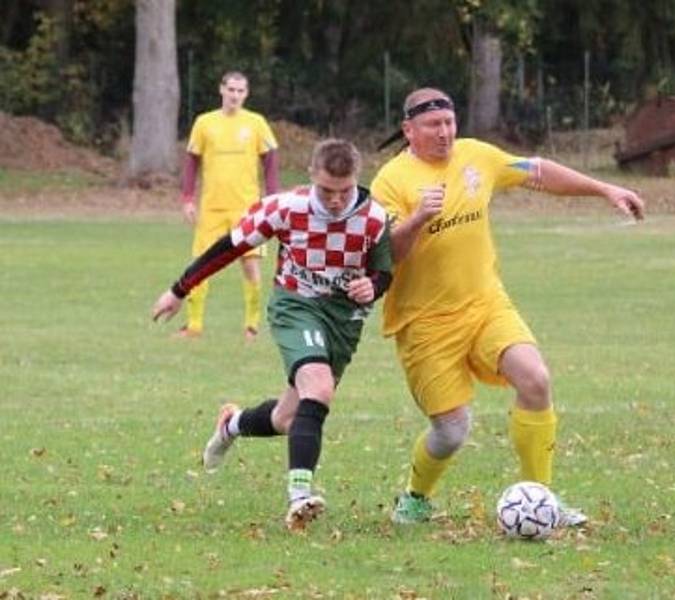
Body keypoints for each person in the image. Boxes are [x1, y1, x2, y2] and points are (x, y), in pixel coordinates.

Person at [370, 87, 645, 526]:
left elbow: (537, 171)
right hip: (425, 322)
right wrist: (419, 216)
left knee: (535, 379)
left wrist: (603, 189)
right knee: (452, 431)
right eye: (432, 126)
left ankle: (543, 501)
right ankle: (416, 497)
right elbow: (386, 253)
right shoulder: (391, 181)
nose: (444, 133)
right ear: (409, 130)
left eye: (449, 123)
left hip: (485, 305)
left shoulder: (477, 156)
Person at [152, 139, 392, 530]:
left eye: (344, 190)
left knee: (288, 417)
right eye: (327, 190)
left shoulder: (375, 218)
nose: (335, 201)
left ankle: (231, 424)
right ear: (312, 175)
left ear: (357, 180)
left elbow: (384, 271)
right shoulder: (285, 208)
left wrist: (374, 286)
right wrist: (179, 289)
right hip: (295, 307)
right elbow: (228, 247)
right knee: (319, 387)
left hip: (343, 321)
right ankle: (299, 496)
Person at [178, 70, 280, 340]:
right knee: (200, 264)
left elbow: (270, 160)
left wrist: (272, 198)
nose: (235, 95)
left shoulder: (256, 123)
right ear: (221, 90)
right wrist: (188, 198)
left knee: (250, 264)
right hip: (211, 207)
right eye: (231, 89)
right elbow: (191, 161)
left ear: (246, 94)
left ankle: (252, 325)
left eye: (240, 91)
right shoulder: (204, 123)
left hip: (247, 209)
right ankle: (194, 325)